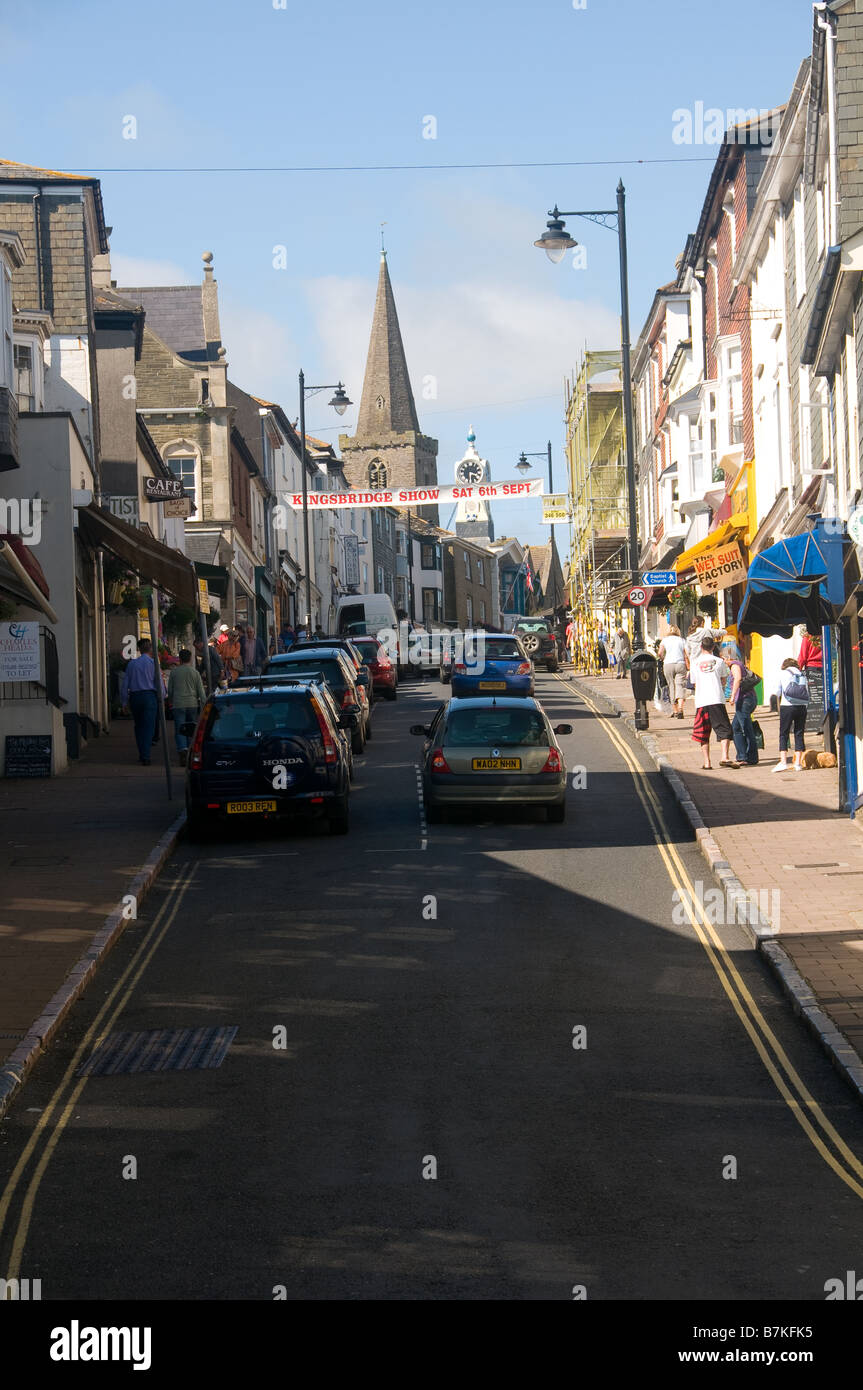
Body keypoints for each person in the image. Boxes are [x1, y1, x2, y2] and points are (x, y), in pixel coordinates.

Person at [690, 634, 739, 769]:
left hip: (701, 701)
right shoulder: (719, 661)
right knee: (724, 729)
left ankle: (707, 763)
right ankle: (724, 757)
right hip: (716, 699)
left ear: (701, 647)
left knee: (703, 732)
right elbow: (724, 680)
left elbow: (694, 683)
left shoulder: (694, 663)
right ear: (713, 647)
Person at [120, 638, 164, 766]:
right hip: (149, 696)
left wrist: (124, 702)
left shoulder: (132, 664)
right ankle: (146, 754)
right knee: (149, 726)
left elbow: (125, 685)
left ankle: (142, 752)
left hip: (135, 696)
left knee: (138, 725)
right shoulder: (153, 663)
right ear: (150, 649)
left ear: (139, 649)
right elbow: (158, 682)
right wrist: (162, 697)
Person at [721, 638, 759, 766]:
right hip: (748, 698)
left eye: (723, 659)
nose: (723, 661)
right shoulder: (739, 664)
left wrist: (732, 696)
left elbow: (737, 680)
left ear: (728, 657)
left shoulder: (734, 665)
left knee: (746, 728)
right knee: (736, 727)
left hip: (744, 700)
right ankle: (742, 755)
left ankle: (750, 757)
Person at [167, 649, 206, 765]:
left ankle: (182, 749)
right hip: (192, 703)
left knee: (180, 728)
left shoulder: (174, 672)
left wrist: (171, 701)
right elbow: (201, 692)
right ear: (189, 659)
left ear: (180, 659)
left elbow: (170, 690)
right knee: (191, 729)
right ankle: (190, 751)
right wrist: (204, 705)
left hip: (178, 704)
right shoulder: (195, 673)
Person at [773, 656, 809, 772]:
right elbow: (806, 691)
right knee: (799, 733)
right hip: (802, 706)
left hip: (787, 706)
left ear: (785, 665)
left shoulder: (782, 673)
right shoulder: (801, 674)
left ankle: (783, 762)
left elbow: (777, 691)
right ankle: (798, 763)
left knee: (784, 733)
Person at [658, 625, 688, 717]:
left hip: (668, 664)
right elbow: (687, 653)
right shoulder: (682, 640)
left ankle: (674, 711)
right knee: (680, 686)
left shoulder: (665, 640)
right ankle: (680, 709)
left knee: (671, 686)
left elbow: (660, 653)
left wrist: (663, 659)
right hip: (680, 664)